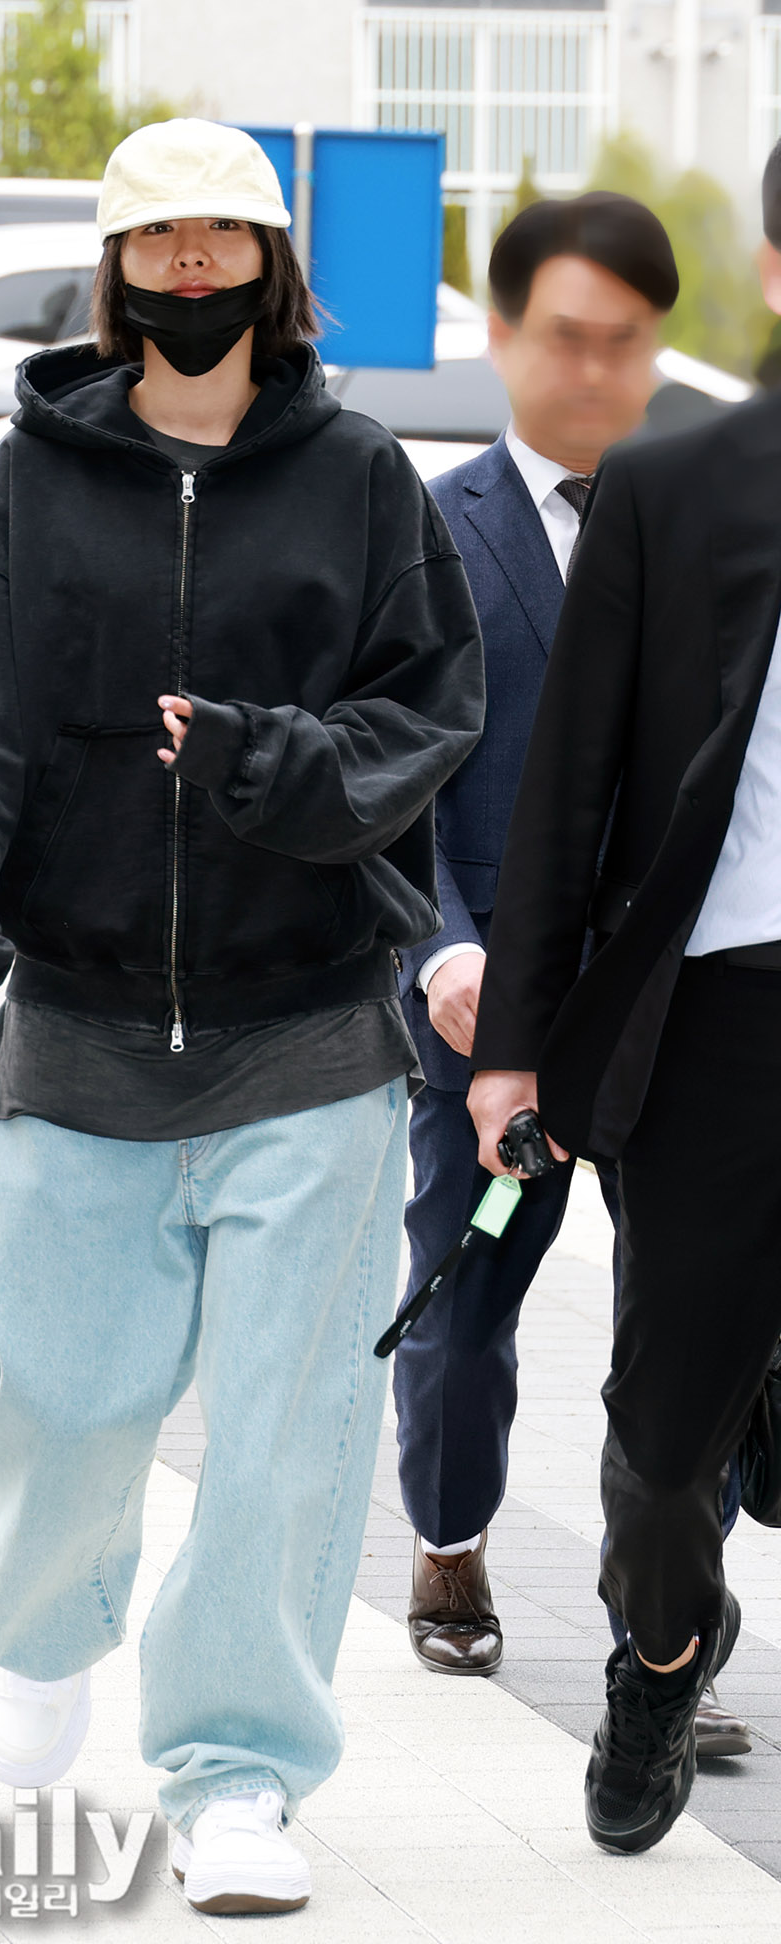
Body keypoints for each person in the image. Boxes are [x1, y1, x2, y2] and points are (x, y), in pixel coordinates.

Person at [0, 117, 483, 1918]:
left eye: (223, 236)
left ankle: (237, 1775)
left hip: (310, 1031)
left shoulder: (360, 476)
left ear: (271, 265)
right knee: (55, 1403)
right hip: (78, 1019)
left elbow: (427, 713)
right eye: (159, 238)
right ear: (118, 267)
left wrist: (263, 763)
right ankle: (45, 1632)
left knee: (290, 1439)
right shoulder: (32, 480)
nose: (191, 264)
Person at [391, 192, 746, 1756]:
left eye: (626, 343)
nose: (595, 372)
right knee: (468, 1306)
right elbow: (392, 780)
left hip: (677, 1006)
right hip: (494, 1008)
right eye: (565, 338)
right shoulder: (429, 534)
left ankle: (662, 1641)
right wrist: (445, 951)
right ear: (502, 335)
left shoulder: (713, 521)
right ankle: (449, 1536)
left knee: (685, 1337)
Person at [467, 139, 781, 1854]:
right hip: (719, 1026)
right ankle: (662, 1652)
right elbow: (569, 787)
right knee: (664, 1455)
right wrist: (516, 1047)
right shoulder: (675, 488)